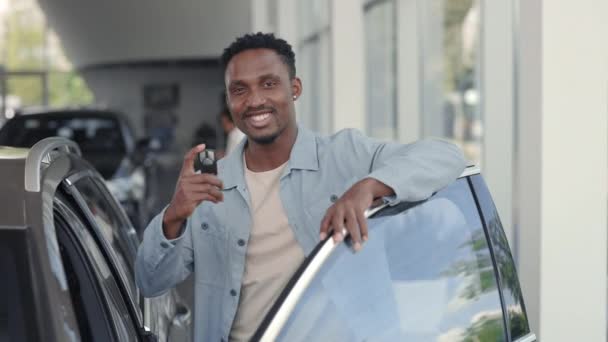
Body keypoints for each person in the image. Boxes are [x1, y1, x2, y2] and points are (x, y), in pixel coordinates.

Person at [135, 32, 466, 342]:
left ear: (294, 88)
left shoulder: (345, 156)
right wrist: (173, 217)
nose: (255, 100)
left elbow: (445, 155)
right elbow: (150, 282)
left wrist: (367, 187)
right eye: (240, 89)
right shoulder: (210, 185)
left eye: (268, 84)